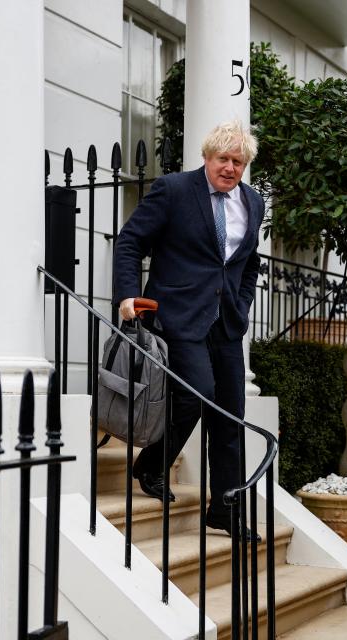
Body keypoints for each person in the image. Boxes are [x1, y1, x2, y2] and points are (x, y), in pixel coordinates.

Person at [112, 120, 263, 538]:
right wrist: (127, 294)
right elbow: (130, 242)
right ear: (207, 157)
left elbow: (249, 262)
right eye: (223, 159)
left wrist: (243, 303)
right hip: (177, 314)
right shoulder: (175, 190)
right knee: (197, 395)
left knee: (230, 413)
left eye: (238, 161)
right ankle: (153, 463)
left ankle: (226, 508)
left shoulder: (253, 202)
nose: (230, 168)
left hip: (227, 322)